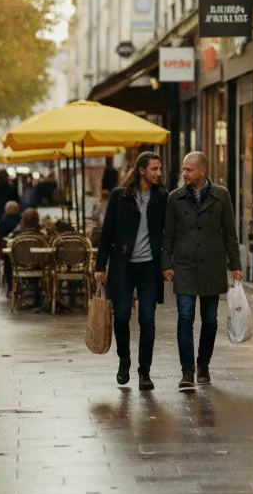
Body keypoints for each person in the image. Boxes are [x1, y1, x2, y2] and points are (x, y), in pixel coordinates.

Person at [162, 151, 241, 389]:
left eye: (189, 170)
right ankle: (187, 372)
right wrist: (166, 263)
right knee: (184, 318)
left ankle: (203, 364)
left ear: (202, 171)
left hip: (212, 265)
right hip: (185, 264)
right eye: (183, 169)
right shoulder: (175, 198)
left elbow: (229, 232)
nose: (184, 174)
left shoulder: (221, 195)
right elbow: (168, 234)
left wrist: (235, 265)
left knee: (210, 320)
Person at [95, 153, 167, 391]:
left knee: (147, 318)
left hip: (149, 267)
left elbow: (166, 236)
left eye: (160, 169)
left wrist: (167, 264)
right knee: (123, 315)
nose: (159, 173)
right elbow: (106, 234)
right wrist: (99, 267)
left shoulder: (161, 198)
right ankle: (124, 360)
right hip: (123, 267)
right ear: (141, 171)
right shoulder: (119, 196)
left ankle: (144, 371)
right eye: (154, 169)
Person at [0, 200, 22, 297]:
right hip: (24, 255)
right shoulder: (21, 221)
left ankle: (10, 287)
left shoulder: (3, 222)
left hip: (8, 254)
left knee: (8, 262)